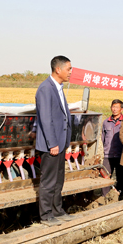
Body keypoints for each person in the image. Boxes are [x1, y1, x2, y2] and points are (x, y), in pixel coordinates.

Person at [35, 56, 72, 223]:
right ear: (58, 69)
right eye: (68, 69)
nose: (70, 72)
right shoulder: (45, 88)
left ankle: (57, 210)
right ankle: (46, 215)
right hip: (52, 145)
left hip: (60, 143)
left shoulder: (58, 88)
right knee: (49, 181)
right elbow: (46, 118)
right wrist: (53, 143)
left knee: (58, 180)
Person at [101, 99, 123, 196]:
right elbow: (102, 138)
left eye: (117, 107)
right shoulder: (106, 122)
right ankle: (105, 196)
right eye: (113, 107)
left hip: (121, 154)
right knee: (105, 176)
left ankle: (119, 195)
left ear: (121, 109)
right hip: (108, 155)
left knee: (120, 177)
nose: (114, 109)